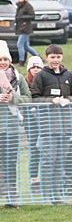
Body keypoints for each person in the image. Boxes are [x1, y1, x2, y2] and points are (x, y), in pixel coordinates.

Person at [29, 44, 72, 205]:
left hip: (65, 126)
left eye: (58, 57)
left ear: (62, 57)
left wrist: (69, 101)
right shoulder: (41, 76)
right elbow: (34, 98)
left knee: (60, 162)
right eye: (52, 57)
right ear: (47, 58)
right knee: (47, 161)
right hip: (47, 127)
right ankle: (46, 196)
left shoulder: (69, 75)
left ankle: (57, 196)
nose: (55, 60)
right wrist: (51, 101)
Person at [0, 41, 31, 207]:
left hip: (11, 129)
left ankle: (11, 198)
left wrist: (14, 99)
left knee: (11, 163)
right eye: (0, 59)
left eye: (5, 58)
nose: (3, 62)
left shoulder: (18, 78)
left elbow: (28, 98)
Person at [23, 56, 44, 194]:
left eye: (38, 67)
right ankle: (33, 180)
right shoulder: (25, 83)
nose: (35, 70)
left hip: (45, 121)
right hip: (30, 122)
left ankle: (47, 179)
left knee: (46, 151)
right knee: (34, 150)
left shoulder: (45, 80)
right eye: (33, 67)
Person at [15, 0, 38, 66]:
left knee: (19, 44)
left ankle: (21, 62)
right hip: (20, 27)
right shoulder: (19, 6)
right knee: (26, 46)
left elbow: (32, 16)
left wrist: (23, 17)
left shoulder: (28, 5)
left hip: (25, 28)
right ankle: (38, 57)